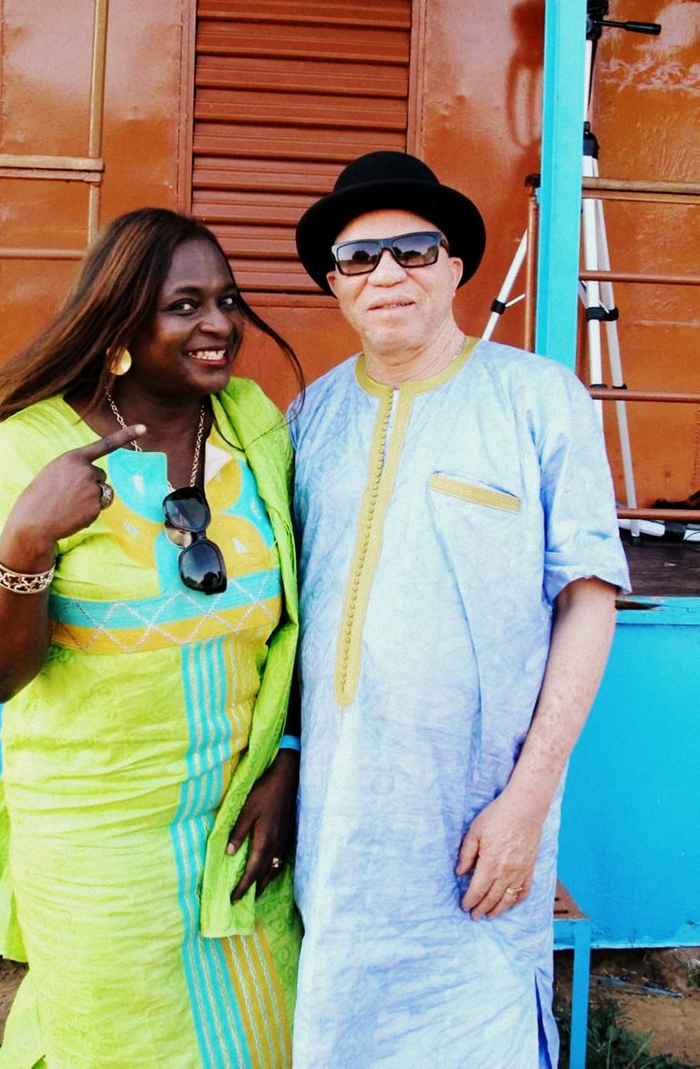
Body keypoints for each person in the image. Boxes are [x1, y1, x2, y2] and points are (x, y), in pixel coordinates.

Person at [0, 207, 304, 1069]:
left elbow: (302, 620)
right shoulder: (31, 447)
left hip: (239, 828)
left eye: (228, 300)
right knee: (115, 1045)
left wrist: (289, 757)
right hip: (98, 842)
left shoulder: (251, 426)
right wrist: (28, 540)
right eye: (185, 306)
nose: (219, 325)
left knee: (264, 1036)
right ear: (121, 326)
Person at [289, 151, 631, 1068]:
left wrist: (528, 802)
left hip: (479, 821)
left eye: (414, 249)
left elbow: (589, 597)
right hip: (339, 820)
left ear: (454, 267)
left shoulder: (537, 398)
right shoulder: (312, 416)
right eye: (359, 258)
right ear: (335, 284)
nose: (387, 274)